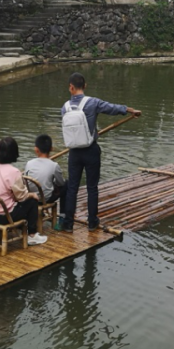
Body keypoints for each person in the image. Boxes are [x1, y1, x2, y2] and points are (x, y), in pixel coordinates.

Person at [60, 72, 140, 232]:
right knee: (92, 187)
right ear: (85, 86)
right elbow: (112, 108)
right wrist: (130, 110)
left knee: (72, 188)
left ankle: (68, 224)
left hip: (74, 152)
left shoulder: (65, 107)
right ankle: (92, 222)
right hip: (91, 150)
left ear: (70, 87)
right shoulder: (93, 102)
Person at [0, 137, 47, 245]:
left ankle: (26, 230)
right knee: (32, 201)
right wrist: (32, 195)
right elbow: (22, 197)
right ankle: (32, 234)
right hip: (5, 216)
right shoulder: (14, 172)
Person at [24, 134, 65, 211]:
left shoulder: (29, 163)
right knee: (67, 184)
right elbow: (61, 183)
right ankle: (63, 214)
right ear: (51, 149)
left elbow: (25, 181)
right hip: (46, 198)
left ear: (36, 150)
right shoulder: (54, 165)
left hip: (31, 197)